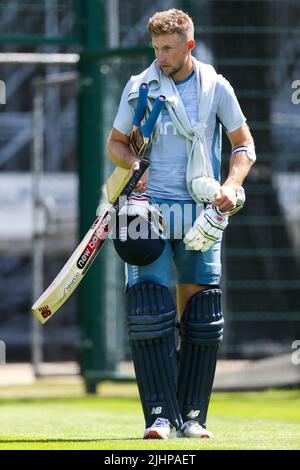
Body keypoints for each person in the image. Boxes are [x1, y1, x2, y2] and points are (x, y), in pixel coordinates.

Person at [106, 8, 255, 439]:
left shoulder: (216, 86)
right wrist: (134, 162)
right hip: (146, 212)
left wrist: (231, 183)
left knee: (203, 315)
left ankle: (192, 417)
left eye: (168, 49)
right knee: (149, 310)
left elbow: (243, 143)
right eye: (156, 49)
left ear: (189, 45)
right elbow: (116, 143)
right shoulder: (140, 86)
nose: (161, 56)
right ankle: (158, 416)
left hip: (200, 212)